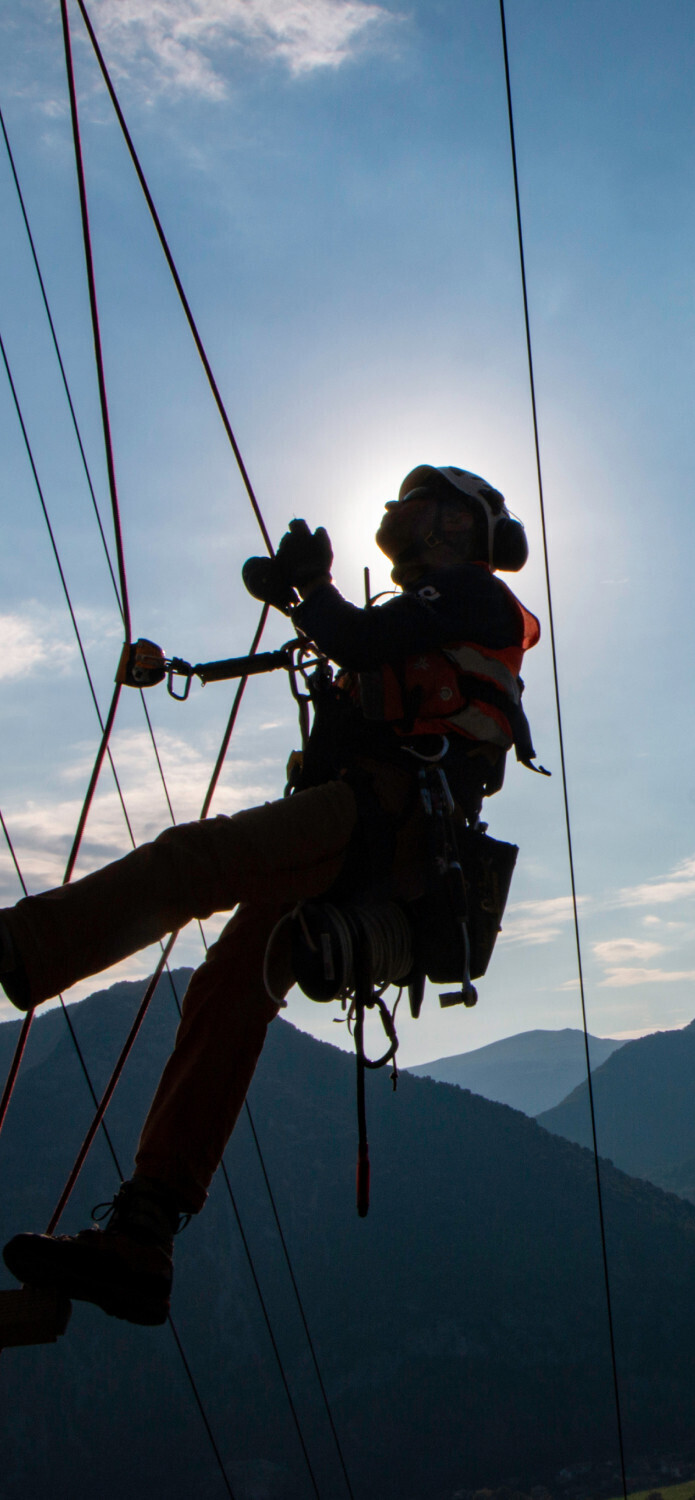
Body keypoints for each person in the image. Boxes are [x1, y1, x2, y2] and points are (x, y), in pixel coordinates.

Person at [0, 464, 538, 1326]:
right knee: (228, 989)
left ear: (462, 530)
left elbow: (358, 642)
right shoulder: (436, 616)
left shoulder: (473, 596)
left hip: (376, 819)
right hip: (377, 838)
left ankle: (21, 948)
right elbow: (360, 646)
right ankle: (145, 1234)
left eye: (426, 506)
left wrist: (311, 589)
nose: (407, 517)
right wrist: (306, 600)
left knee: (194, 864)